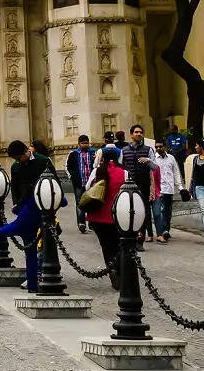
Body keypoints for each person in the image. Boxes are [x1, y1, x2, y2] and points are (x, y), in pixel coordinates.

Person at [0, 140, 58, 290]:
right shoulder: (16, 167)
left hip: (41, 207)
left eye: (18, 157)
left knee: (4, 233)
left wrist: (53, 204)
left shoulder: (43, 161)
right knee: (30, 252)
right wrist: (16, 203)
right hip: (26, 206)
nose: (17, 161)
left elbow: (55, 183)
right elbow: (15, 187)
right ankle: (33, 285)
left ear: (25, 152)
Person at [85, 146, 125, 289]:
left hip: (98, 217)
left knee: (106, 245)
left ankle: (111, 268)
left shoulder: (97, 171)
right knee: (119, 244)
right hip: (118, 217)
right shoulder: (124, 172)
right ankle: (119, 269)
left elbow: (87, 189)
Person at [120, 124, 154, 247]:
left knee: (143, 211)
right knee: (129, 211)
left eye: (140, 132)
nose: (139, 134)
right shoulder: (124, 150)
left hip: (144, 185)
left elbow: (155, 167)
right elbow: (121, 167)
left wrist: (148, 161)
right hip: (129, 186)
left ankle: (140, 239)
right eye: (136, 132)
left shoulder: (148, 150)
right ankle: (130, 237)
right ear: (131, 134)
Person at [149, 139, 184, 243]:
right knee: (159, 211)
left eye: (160, 146)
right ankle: (162, 230)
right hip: (159, 189)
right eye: (157, 147)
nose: (158, 148)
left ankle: (166, 230)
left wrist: (180, 187)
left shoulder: (171, 158)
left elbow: (176, 173)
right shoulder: (153, 159)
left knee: (167, 212)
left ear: (165, 147)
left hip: (169, 189)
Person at [65, 134, 99, 234]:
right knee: (80, 203)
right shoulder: (73, 154)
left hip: (91, 183)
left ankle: (92, 223)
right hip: (79, 183)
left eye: (86, 143)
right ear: (79, 144)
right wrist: (72, 177)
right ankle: (81, 223)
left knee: (92, 202)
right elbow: (67, 167)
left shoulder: (94, 152)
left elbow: (98, 165)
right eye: (83, 143)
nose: (85, 145)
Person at [165, 123, 189, 192]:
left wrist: (178, 151)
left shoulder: (181, 136)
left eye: (173, 129)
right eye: (171, 130)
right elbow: (168, 146)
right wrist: (170, 151)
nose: (172, 131)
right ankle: (173, 180)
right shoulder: (169, 137)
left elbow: (184, 145)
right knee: (172, 167)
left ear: (176, 129)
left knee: (181, 166)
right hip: (173, 154)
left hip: (180, 154)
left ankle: (184, 178)